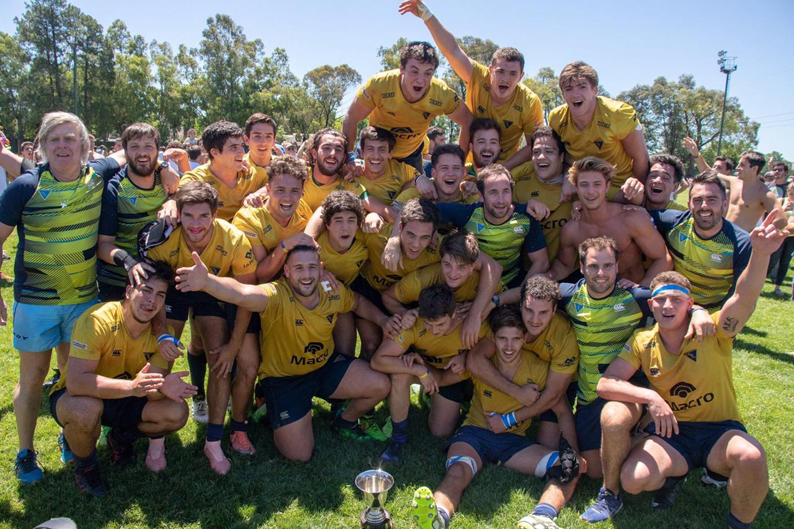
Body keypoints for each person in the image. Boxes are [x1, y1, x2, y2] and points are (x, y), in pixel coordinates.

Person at [581, 213, 785, 525]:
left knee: (752, 456)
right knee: (634, 481)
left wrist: (760, 253)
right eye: (660, 300)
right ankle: (672, 476)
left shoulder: (714, 331)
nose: (667, 306)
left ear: (690, 305)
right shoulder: (642, 340)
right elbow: (607, 383)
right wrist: (652, 398)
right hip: (672, 433)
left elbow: (744, 298)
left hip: (718, 430)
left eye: (676, 300)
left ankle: (738, 523)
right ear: (651, 306)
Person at [173, 244, 400, 462]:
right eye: (298, 268)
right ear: (287, 271)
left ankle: (345, 420)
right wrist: (207, 282)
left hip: (325, 368)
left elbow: (357, 302)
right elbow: (242, 293)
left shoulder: (331, 290)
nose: (306, 274)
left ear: (321, 268)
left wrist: (383, 320)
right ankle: (276, 408)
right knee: (299, 455)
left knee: (381, 384)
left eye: (312, 267)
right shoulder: (275, 295)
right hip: (285, 381)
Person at [0, 111, 128, 484]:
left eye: (70, 138)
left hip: (83, 302)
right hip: (36, 302)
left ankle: (68, 433)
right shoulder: (24, 187)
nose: (62, 145)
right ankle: (25, 453)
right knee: (32, 376)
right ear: (42, 147)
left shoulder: (98, 176)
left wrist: (168, 170)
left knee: (75, 377)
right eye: (53, 139)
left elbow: (125, 154)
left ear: (85, 146)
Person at [409, 302, 580, 529]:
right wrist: (417, 367)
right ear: (493, 339)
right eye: (502, 339)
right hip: (474, 433)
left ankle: (542, 517)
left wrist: (571, 451)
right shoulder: (481, 364)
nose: (508, 347)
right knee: (458, 471)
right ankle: (438, 516)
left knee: (571, 465)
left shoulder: (538, 370)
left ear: (525, 339)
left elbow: (563, 411)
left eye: (515, 339)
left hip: (513, 442)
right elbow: (439, 380)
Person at [49, 263, 196, 496]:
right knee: (85, 410)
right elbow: (76, 383)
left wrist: (163, 387)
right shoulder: (98, 320)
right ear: (128, 291)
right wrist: (132, 386)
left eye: (160, 295)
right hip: (80, 395)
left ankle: (119, 438)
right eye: (146, 290)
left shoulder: (163, 335)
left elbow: (150, 391)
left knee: (176, 412)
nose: (152, 301)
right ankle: (85, 467)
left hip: (126, 396)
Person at [142, 181, 259, 474]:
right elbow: (153, 293)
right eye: (189, 216)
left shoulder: (234, 239)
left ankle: (214, 441)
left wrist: (234, 345)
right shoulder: (161, 239)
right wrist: (161, 334)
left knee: (221, 358)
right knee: (162, 356)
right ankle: (156, 440)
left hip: (211, 289)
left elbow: (247, 297)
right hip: (173, 289)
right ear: (178, 214)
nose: (196, 224)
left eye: (203, 216)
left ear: (215, 214)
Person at [400, 0, 544, 171]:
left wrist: (501, 170)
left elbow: (532, 146)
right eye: (500, 71)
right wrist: (426, 15)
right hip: (469, 167)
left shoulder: (530, 102)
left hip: (506, 170)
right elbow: (452, 50)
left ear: (521, 77)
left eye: (513, 74)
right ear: (490, 70)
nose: (505, 78)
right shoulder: (477, 77)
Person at [372, 284, 489, 463]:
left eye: (441, 324)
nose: (435, 331)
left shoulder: (470, 319)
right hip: (426, 369)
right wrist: (420, 370)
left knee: (440, 432)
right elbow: (378, 360)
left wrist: (468, 356)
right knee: (400, 374)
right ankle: (397, 439)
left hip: (452, 376)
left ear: (453, 314)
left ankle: (460, 402)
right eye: (429, 324)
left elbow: (494, 343)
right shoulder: (413, 322)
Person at [466, 277, 580, 460]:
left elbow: (554, 394)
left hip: (550, 385)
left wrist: (508, 420)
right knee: (440, 428)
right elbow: (474, 361)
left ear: (554, 311)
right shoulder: (510, 320)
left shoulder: (564, 335)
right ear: (520, 306)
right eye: (529, 310)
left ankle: (574, 460)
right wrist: (516, 392)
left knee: (548, 445)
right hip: (517, 381)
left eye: (543, 312)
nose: (534, 320)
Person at [401, 164, 548, 288]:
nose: (501, 200)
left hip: (511, 283)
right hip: (472, 282)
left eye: (506, 192)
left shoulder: (527, 216)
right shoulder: (467, 213)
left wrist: (520, 293)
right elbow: (417, 207)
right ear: (481, 196)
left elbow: (541, 262)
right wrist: (431, 227)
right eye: (493, 193)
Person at [342, 41, 473, 172]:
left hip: (411, 156)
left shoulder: (442, 94)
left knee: (419, 192)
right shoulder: (379, 84)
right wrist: (349, 157)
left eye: (428, 73)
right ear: (402, 69)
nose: (420, 80)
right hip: (377, 155)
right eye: (414, 71)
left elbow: (468, 121)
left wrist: (460, 161)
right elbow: (351, 118)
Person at [547, 156, 672, 286]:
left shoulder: (631, 219)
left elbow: (664, 258)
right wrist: (544, 276)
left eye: (597, 184)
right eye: (584, 185)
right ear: (576, 188)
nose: (590, 191)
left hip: (631, 296)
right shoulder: (571, 230)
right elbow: (564, 265)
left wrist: (641, 289)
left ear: (607, 187)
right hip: (594, 299)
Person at [97, 123, 179, 302]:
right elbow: (103, 246)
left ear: (158, 150)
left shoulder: (168, 180)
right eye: (135, 147)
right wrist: (130, 262)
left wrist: (172, 199)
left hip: (160, 277)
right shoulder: (114, 188)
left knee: (162, 329)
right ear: (125, 152)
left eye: (148, 147)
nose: (142, 153)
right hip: (117, 279)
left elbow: (190, 193)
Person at [648, 170, 752, 310]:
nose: (704, 206)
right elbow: (635, 215)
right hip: (676, 307)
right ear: (689, 203)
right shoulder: (672, 223)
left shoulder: (742, 243)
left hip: (713, 314)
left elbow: (739, 296)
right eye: (697, 200)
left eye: (712, 200)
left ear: (725, 204)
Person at [549, 61, 649, 201]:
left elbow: (641, 157)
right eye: (569, 88)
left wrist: (640, 193)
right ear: (563, 94)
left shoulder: (618, 114)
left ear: (595, 90)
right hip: (583, 188)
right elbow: (562, 158)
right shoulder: (556, 119)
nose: (575, 94)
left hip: (619, 188)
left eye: (582, 87)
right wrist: (567, 178)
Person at [383, 229, 507, 314]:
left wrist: (481, 307)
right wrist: (404, 314)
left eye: (461, 267)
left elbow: (506, 298)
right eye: (447, 265)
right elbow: (388, 296)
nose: (453, 274)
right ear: (440, 259)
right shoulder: (421, 281)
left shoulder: (486, 281)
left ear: (473, 266)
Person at [232, 156, 314, 283]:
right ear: (268, 189)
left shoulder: (302, 207)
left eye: (294, 191)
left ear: (302, 191)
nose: (287, 198)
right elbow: (260, 276)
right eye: (280, 190)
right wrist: (285, 245)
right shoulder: (248, 220)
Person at [178, 120, 268, 222]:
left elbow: (281, 182)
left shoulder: (252, 173)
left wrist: (259, 193)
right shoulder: (197, 179)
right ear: (215, 152)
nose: (242, 152)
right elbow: (178, 196)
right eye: (233, 147)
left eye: (241, 146)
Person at [511, 126, 574, 262]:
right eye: (536, 152)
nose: (541, 157)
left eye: (549, 151)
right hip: (529, 273)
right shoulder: (519, 186)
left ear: (562, 156)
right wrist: (523, 207)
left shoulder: (578, 185)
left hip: (571, 273)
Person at [391, 144, 479, 215]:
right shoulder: (415, 195)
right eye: (444, 168)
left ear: (463, 172)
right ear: (434, 173)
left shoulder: (473, 199)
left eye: (456, 168)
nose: (450, 173)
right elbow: (392, 217)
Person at [717, 151, 784, 233]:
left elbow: (781, 221)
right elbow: (710, 172)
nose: (737, 168)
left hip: (741, 242)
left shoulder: (764, 193)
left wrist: (761, 233)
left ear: (754, 169)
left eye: (742, 165)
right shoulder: (734, 182)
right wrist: (697, 155)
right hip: (723, 236)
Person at [354, 126, 419, 205]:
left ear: (390, 153)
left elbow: (424, 182)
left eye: (382, 149)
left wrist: (417, 180)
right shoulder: (351, 172)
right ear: (361, 152)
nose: (376, 156)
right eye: (370, 149)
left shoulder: (403, 171)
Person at [767, 184, 794, 296]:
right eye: (791, 192)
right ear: (788, 191)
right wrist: (784, 209)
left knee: (785, 262)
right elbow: (772, 216)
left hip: (791, 238)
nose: (792, 195)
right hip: (778, 235)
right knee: (772, 260)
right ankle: (758, 283)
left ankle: (777, 287)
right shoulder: (781, 201)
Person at [243, 113, 278, 181]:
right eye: (257, 136)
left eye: (268, 136)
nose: (263, 142)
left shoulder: (284, 168)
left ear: (274, 141)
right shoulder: (237, 168)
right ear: (247, 140)